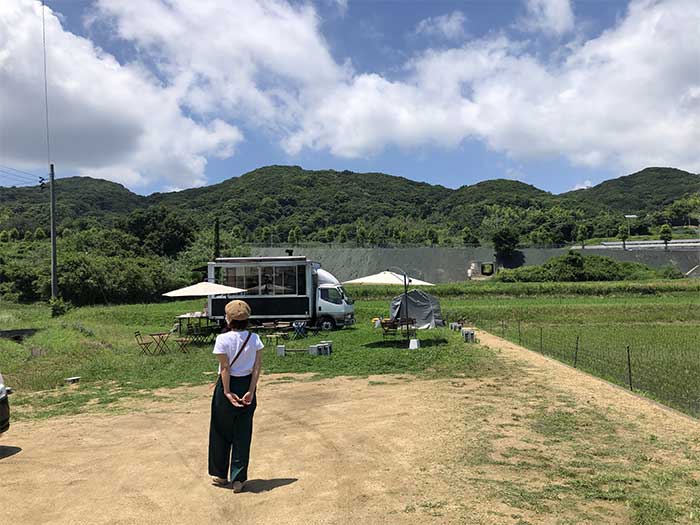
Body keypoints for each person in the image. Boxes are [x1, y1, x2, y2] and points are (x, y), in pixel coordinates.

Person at [208, 300, 264, 492]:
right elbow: (257, 368)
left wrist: (226, 392)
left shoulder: (222, 339)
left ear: (228, 319)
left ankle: (221, 475)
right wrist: (251, 390)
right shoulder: (255, 338)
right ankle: (239, 479)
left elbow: (225, 368)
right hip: (247, 384)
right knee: (243, 431)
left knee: (220, 430)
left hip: (227, 385)